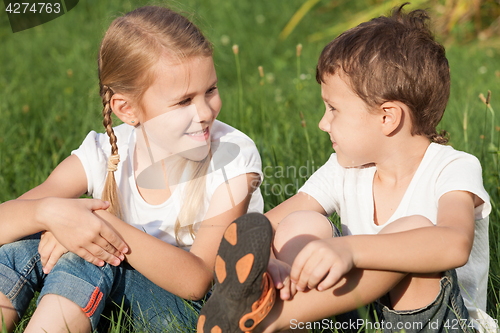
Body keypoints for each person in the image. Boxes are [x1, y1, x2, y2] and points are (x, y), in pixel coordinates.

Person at [198, 4, 497, 333]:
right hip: (358, 317)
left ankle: (270, 321)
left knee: (411, 229)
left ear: (387, 117)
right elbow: (260, 229)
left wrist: (349, 248)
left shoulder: (453, 167)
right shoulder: (345, 168)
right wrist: (266, 261)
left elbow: (453, 244)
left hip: (438, 323)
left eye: (333, 109)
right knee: (301, 224)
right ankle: (271, 307)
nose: (322, 123)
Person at [0, 6, 264, 333]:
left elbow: (198, 280)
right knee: (19, 247)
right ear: (127, 109)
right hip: (117, 293)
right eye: (183, 101)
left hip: (199, 313)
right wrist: (51, 214)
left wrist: (97, 224)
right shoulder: (105, 152)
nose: (204, 112)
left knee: (90, 251)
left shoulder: (233, 155)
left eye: (210, 90)